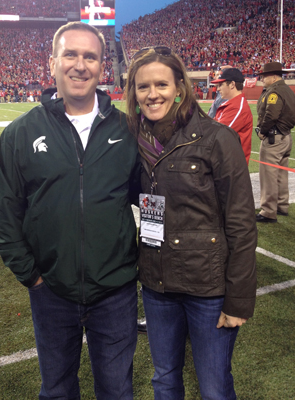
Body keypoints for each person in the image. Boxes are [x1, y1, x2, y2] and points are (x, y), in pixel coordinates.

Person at [0, 21, 141, 400]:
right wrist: (34, 279)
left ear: (102, 67)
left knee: (117, 391)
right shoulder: (19, 134)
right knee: (57, 390)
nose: (80, 65)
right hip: (52, 292)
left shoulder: (128, 130)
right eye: (70, 54)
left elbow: (152, 199)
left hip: (116, 291)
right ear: (52, 62)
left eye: (90, 56)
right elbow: (7, 219)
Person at [126, 46, 257, 400]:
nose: (152, 94)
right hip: (157, 284)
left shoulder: (217, 139)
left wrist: (238, 300)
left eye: (161, 84)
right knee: (165, 379)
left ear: (180, 87)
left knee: (214, 386)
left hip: (209, 290)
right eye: (143, 87)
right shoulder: (134, 143)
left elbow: (242, 225)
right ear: (133, 93)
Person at [256, 61, 295, 223]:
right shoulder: (288, 91)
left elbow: (271, 115)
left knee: (269, 175)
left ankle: (268, 211)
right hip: (286, 136)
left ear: (272, 77)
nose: (262, 79)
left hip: (274, 138)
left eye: (264, 77)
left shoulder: (275, 92)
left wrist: (262, 131)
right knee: (281, 173)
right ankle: (282, 205)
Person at [211, 68, 253, 164]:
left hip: (233, 165)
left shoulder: (237, 107)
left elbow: (218, 132)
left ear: (232, 85)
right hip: (227, 162)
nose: (218, 88)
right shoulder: (231, 104)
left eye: (221, 85)